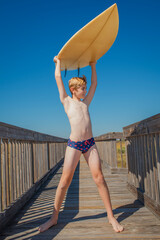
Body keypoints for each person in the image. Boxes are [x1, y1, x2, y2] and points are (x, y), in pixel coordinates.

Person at [38, 56, 124, 233]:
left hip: (90, 144)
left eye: (84, 88)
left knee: (99, 178)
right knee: (64, 182)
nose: (85, 90)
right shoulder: (66, 102)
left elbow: (94, 84)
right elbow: (57, 79)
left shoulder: (86, 103)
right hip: (74, 145)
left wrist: (93, 66)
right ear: (73, 90)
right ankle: (54, 218)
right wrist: (59, 63)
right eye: (82, 88)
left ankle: (111, 216)